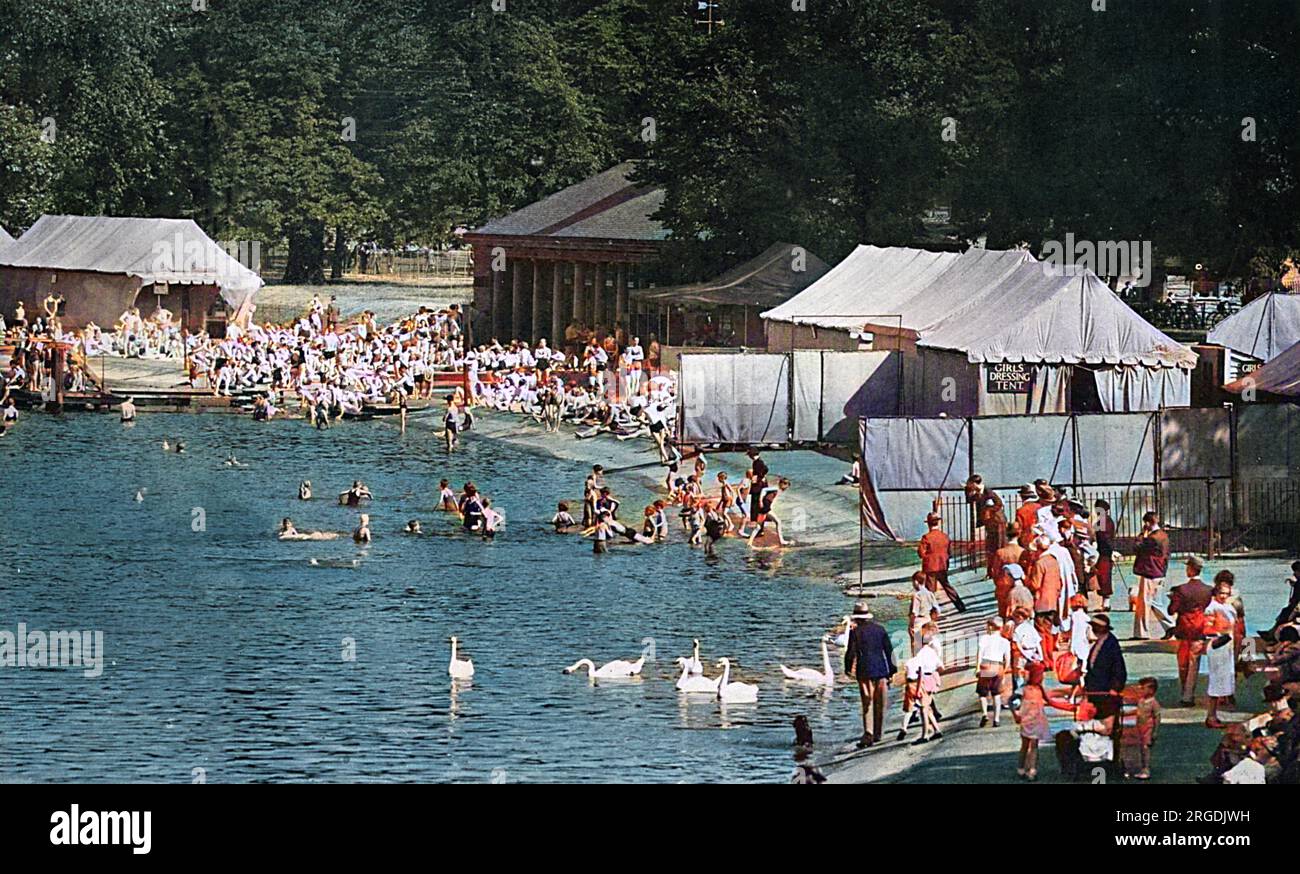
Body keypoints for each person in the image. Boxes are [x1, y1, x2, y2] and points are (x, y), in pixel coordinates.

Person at [843, 601, 896, 747]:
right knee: (881, 702)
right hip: (881, 669)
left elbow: (851, 652)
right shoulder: (880, 629)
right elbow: (889, 650)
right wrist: (892, 670)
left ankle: (868, 733)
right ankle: (878, 733)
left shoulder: (855, 632)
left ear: (857, 618)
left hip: (864, 670)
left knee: (867, 703)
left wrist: (848, 669)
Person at [1168, 555, 1213, 706]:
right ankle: (1189, 694)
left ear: (1191, 569)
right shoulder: (1208, 590)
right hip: (1199, 628)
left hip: (1183, 629)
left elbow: (1171, 610)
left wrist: (1172, 600)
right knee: (1194, 663)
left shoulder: (1181, 589)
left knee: (1183, 663)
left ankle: (1184, 692)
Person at [1203, 580, 1238, 728]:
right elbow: (1207, 629)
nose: (1223, 596)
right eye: (1221, 593)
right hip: (1218, 647)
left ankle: (1214, 715)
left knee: (1223, 680)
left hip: (1227, 647)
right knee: (1216, 683)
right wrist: (1220, 634)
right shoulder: (1212, 608)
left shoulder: (1228, 606)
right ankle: (1211, 716)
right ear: (1215, 593)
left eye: (1226, 593)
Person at [1132, 511, 1171, 639]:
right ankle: (1170, 627)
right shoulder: (1164, 536)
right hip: (1159, 571)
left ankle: (1143, 632)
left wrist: (1142, 534)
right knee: (1154, 603)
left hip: (1150, 572)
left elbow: (1137, 547)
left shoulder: (1152, 538)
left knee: (1145, 603)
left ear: (1148, 523)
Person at [1084, 613, 1127, 727]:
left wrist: (1115, 688)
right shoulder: (1099, 641)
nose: (1092, 628)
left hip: (1106, 691)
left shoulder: (1111, 643)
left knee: (1108, 722)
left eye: (1095, 626)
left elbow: (1119, 667)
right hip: (1096, 690)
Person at [919, 512, 966, 612]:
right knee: (947, 585)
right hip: (942, 565)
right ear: (938, 523)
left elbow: (921, 553)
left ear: (928, 524)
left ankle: (931, 611)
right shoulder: (944, 536)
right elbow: (950, 552)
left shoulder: (926, 537)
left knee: (930, 590)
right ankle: (960, 606)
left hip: (930, 566)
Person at [1015, 662, 1052, 780]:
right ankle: (1022, 768)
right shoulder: (1024, 689)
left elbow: (1049, 700)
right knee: (1025, 745)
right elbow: (1012, 701)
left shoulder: (1038, 689)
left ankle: (1032, 769)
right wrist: (1015, 714)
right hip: (1027, 720)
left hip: (1036, 720)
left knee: (1034, 745)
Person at [1123, 677, 1162, 780]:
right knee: (1140, 748)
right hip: (1140, 727)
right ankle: (1142, 767)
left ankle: (1146, 769)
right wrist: (1126, 713)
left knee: (1145, 748)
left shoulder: (1153, 703)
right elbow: (1138, 712)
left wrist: (1155, 731)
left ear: (1151, 690)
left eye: (1142, 688)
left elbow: (1157, 717)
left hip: (1148, 728)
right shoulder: (1141, 701)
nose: (1140, 690)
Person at [976, 618, 1011, 728]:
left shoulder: (984, 638)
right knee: (996, 694)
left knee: (982, 693)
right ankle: (996, 719)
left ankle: (985, 714)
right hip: (998, 666)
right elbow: (1007, 659)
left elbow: (980, 653)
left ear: (991, 627)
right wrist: (1004, 671)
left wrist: (977, 667)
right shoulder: (1005, 641)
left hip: (986, 665)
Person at [965, 474, 1006, 564]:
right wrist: (967, 490)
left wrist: (989, 511)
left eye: (970, 484)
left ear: (974, 483)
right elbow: (969, 500)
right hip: (989, 523)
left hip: (997, 521)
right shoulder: (977, 493)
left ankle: (1000, 563)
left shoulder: (988, 492)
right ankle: (992, 565)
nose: (969, 486)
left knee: (999, 544)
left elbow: (999, 504)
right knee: (991, 545)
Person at [1091, 499, 1117, 610]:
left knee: (1104, 577)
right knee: (1103, 577)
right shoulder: (1106, 520)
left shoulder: (1103, 521)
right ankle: (1104, 603)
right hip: (1103, 552)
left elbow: (1102, 537)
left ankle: (1106, 603)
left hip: (1104, 553)